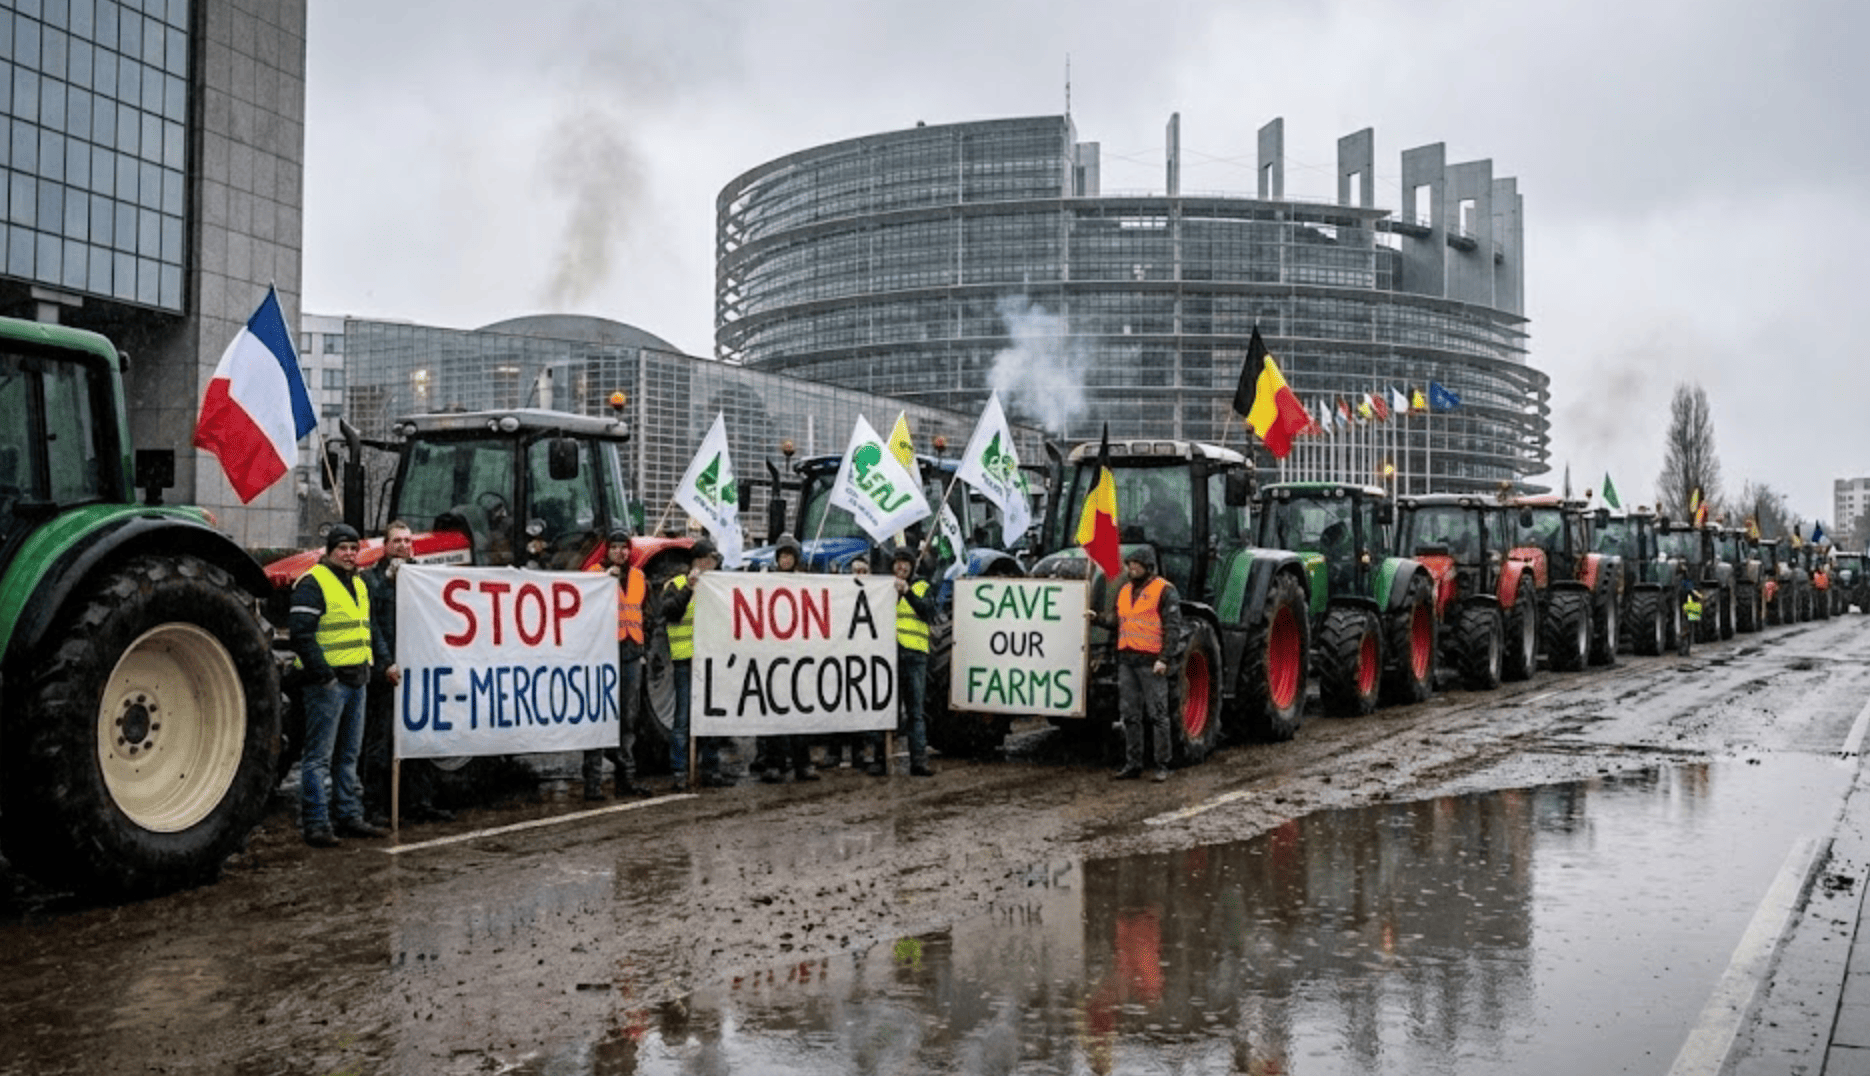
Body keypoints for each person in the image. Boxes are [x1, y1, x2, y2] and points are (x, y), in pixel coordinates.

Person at [289, 524, 390, 846]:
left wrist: (377, 664)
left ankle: (348, 815)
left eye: (353, 549)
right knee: (318, 758)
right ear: (329, 551)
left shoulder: (358, 584)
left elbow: (368, 628)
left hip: (356, 680)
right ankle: (317, 823)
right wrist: (325, 676)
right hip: (327, 684)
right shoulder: (312, 582)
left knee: (348, 756)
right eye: (342, 548)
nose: (349, 554)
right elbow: (301, 634)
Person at [360, 521, 453, 825]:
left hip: (418, 672)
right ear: (385, 545)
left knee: (420, 740)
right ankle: (376, 807)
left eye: (407, 541)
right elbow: (373, 625)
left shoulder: (422, 576)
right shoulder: (372, 580)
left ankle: (419, 802)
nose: (403, 546)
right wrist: (386, 662)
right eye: (397, 541)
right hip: (387, 672)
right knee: (380, 742)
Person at [1086, 545, 1185, 782]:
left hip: (1151, 662)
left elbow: (1172, 628)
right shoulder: (1124, 591)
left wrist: (1164, 658)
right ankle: (1133, 764)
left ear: (1148, 567)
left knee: (1157, 714)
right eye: (1129, 565)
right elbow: (1119, 621)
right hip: (1127, 661)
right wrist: (1097, 619)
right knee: (1130, 715)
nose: (1131, 569)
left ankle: (1162, 764)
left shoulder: (1164, 591)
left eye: (1136, 565)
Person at [584, 529, 654, 800]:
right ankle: (592, 783)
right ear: (607, 550)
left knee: (628, 718)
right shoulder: (594, 575)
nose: (619, 552)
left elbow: (645, 613)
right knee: (599, 716)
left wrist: (644, 648)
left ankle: (626, 779)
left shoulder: (638, 577)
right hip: (604, 652)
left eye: (624, 547)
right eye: (614, 547)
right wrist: (604, 580)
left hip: (631, 652)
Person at [662, 539, 729, 788]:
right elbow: (670, 612)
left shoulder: (718, 587)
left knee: (711, 716)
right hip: (686, 660)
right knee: (683, 719)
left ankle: (710, 768)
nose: (712, 565)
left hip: (711, 660)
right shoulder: (676, 584)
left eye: (714, 561)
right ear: (698, 561)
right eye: (709, 560)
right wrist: (689, 589)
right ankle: (679, 771)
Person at [756, 534, 818, 783]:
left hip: (798, 656)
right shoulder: (768, 581)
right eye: (782, 555)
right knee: (775, 712)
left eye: (789, 556)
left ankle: (803, 763)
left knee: (799, 714)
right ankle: (775, 763)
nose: (785, 560)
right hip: (774, 655)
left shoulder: (805, 582)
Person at [873, 547, 937, 777]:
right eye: (897, 562)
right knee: (886, 710)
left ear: (912, 566)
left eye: (905, 563)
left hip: (915, 656)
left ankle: (919, 761)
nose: (901, 566)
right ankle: (881, 760)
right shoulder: (883, 588)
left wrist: (907, 593)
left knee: (915, 712)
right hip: (889, 655)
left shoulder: (922, 586)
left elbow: (927, 611)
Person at [1681, 585, 1703, 657]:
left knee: (1687, 631)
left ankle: (1685, 650)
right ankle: (1685, 649)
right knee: (1687, 631)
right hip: (1689, 612)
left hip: (1689, 612)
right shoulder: (1692, 591)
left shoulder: (1691, 590)